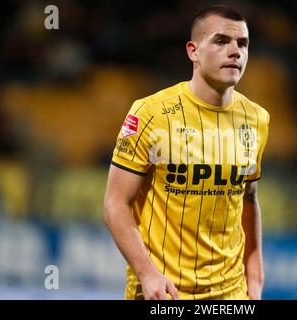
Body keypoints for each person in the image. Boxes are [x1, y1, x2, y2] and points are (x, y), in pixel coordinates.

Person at [104, 4, 269, 300]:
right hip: (162, 292)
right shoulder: (150, 114)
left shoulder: (257, 119)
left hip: (230, 294)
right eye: (221, 41)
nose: (235, 51)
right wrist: (147, 274)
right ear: (193, 51)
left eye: (242, 43)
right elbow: (115, 205)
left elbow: (249, 198)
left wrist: (254, 277)